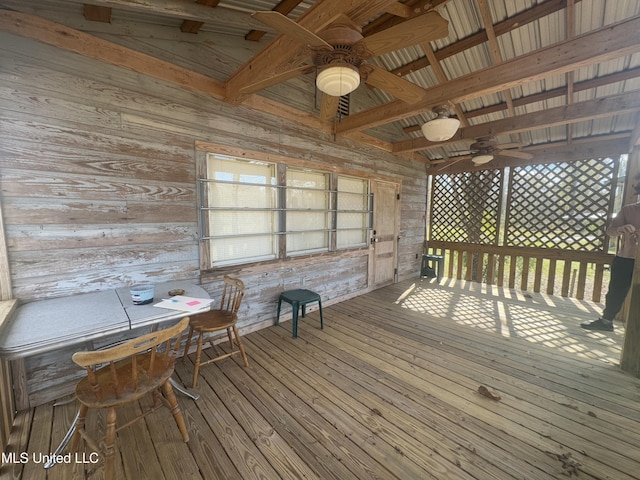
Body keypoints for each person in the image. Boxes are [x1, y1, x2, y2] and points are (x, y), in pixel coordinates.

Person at [581, 171, 640, 331]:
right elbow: (610, 231)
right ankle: (606, 322)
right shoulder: (628, 210)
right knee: (615, 291)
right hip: (626, 258)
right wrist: (622, 229)